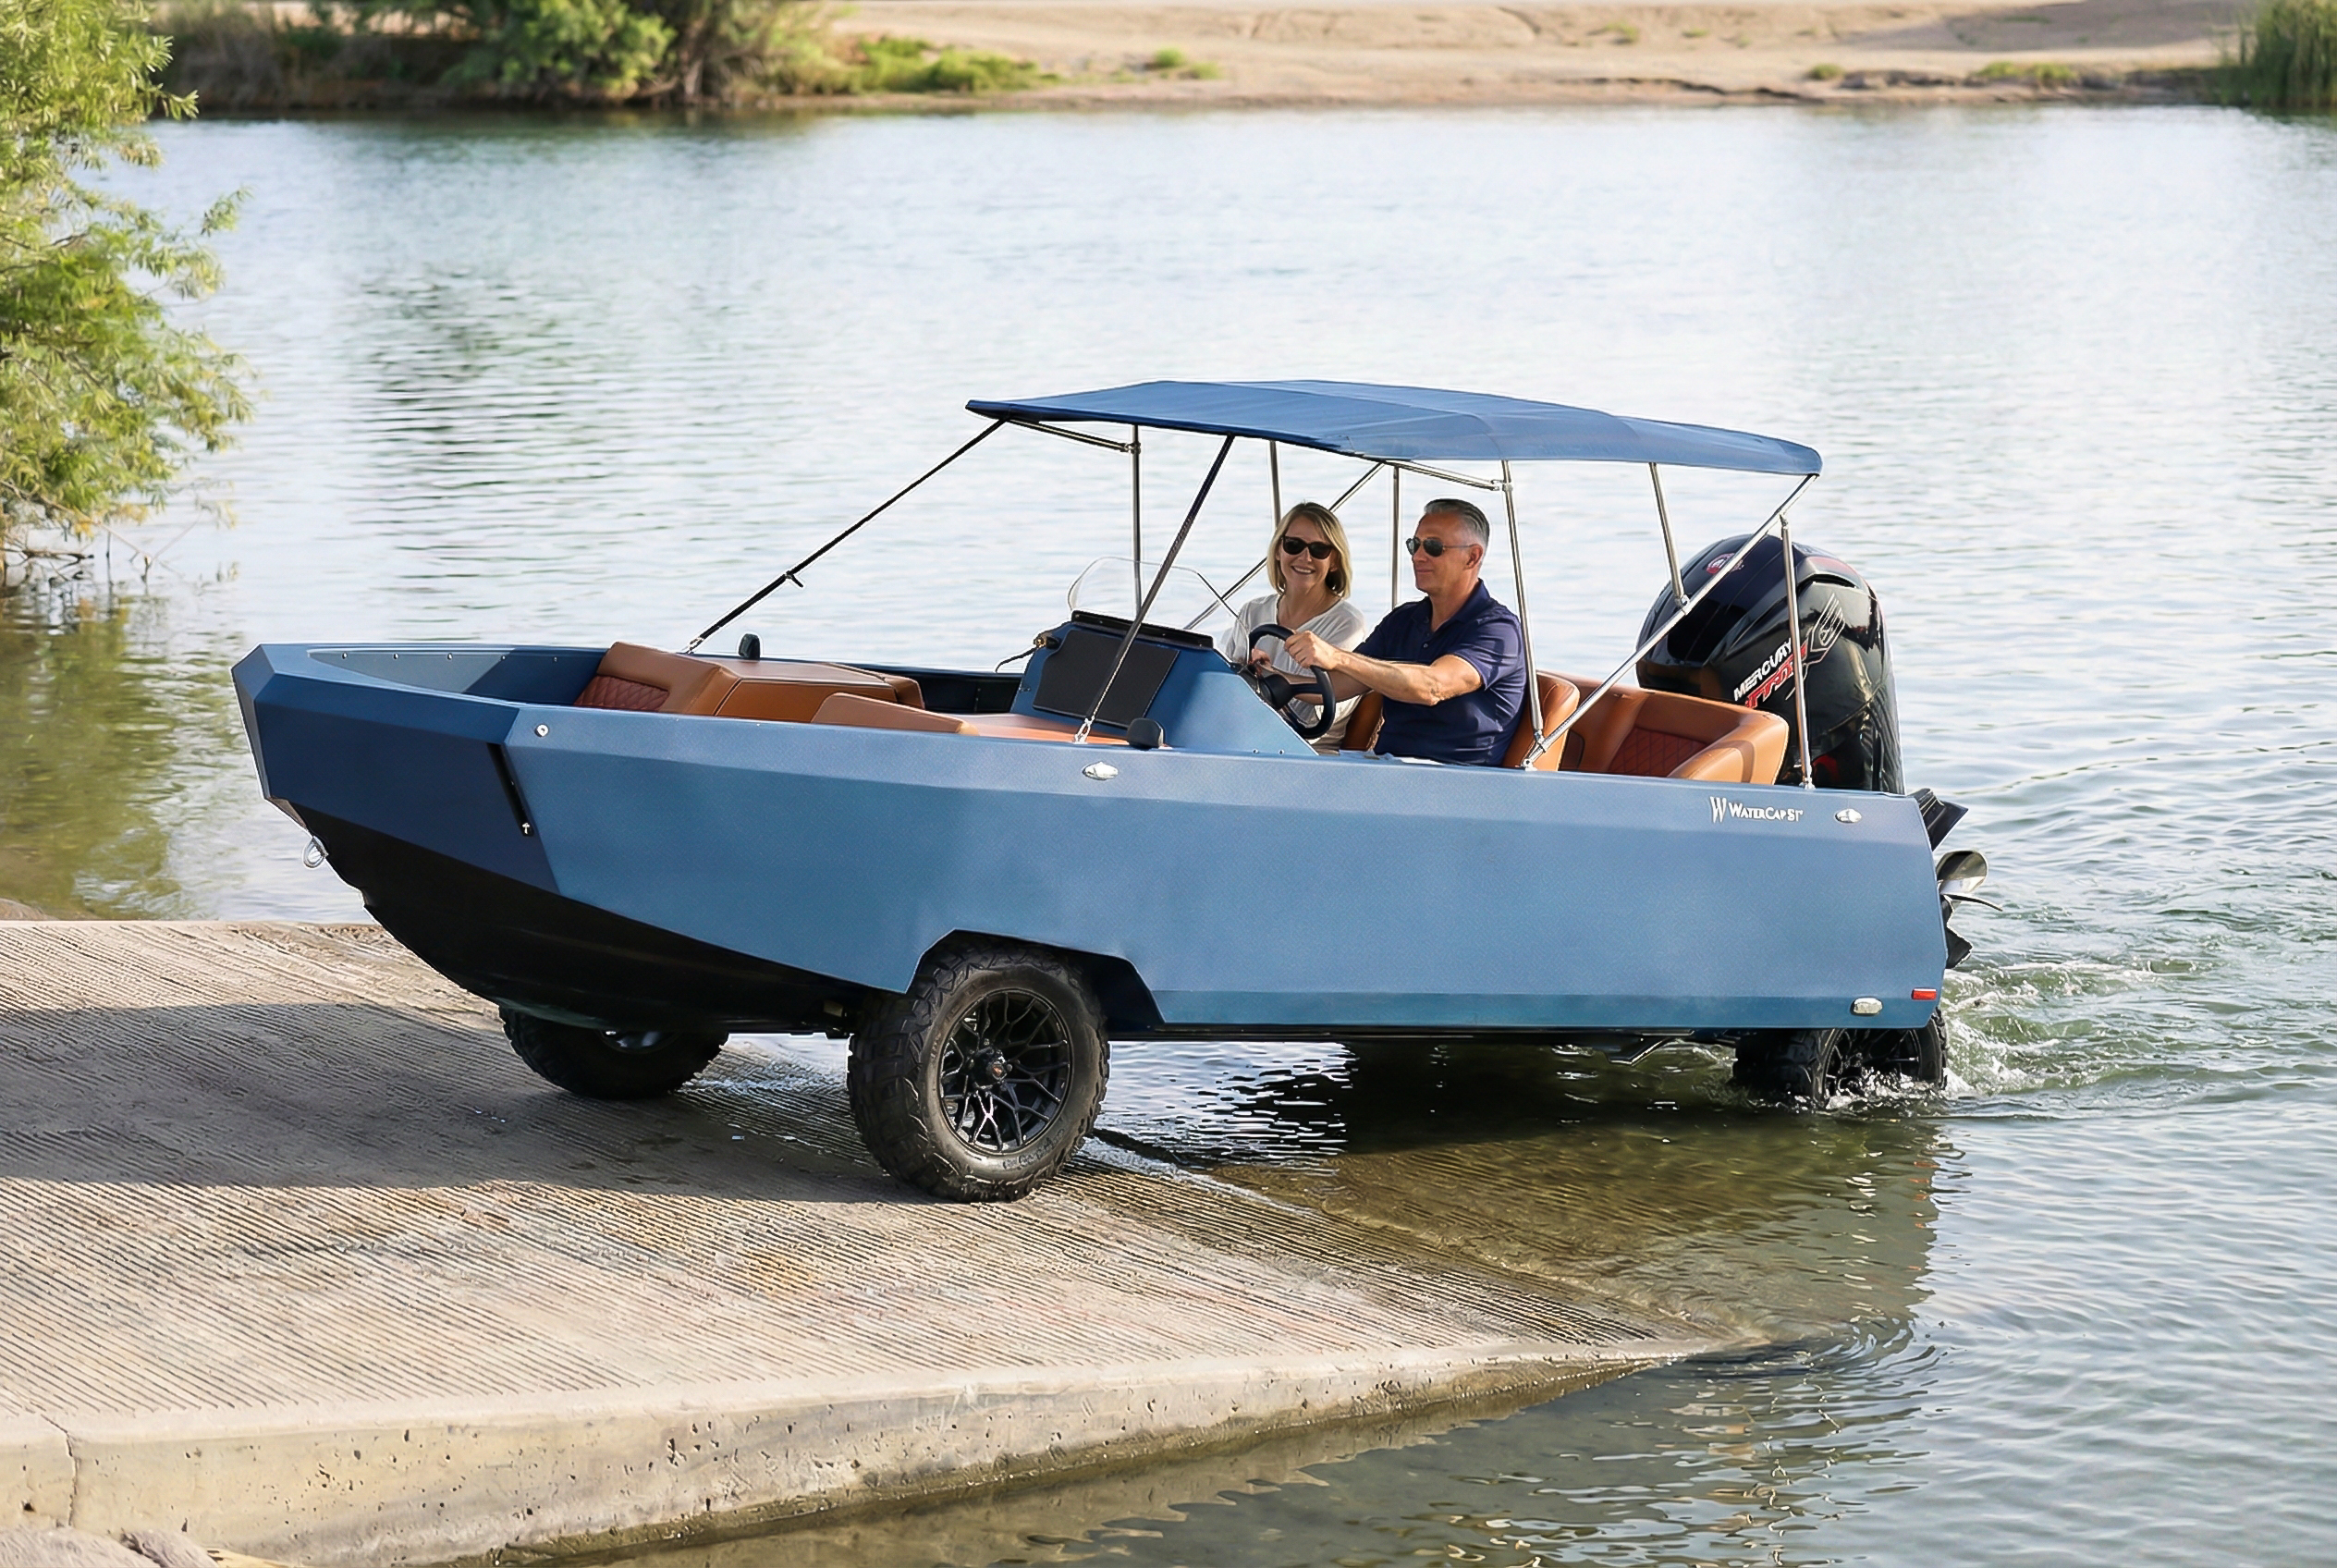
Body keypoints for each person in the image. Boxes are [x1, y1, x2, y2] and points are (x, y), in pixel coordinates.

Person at [1282, 497, 1525, 766]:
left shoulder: (1499, 630)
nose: (1418, 556)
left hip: (1458, 782)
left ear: (1472, 557)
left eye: (1433, 547)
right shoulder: (1404, 620)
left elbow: (1433, 687)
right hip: (1390, 768)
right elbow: (1336, 687)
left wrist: (1338, 656)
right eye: (1415, 545)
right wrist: (1268, 679)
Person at [1216, 501, 1371, 751]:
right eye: (1293, 545)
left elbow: (1315, 716)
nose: (1305, 557)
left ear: (1334, 561)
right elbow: (1225, 692)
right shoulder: (1252, 612)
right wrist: (1244, 670)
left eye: (1319, 549)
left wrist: (1267, 675)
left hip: (1306, 752)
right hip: (1245, 740)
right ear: (1278, 551)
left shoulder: (1347, 624)